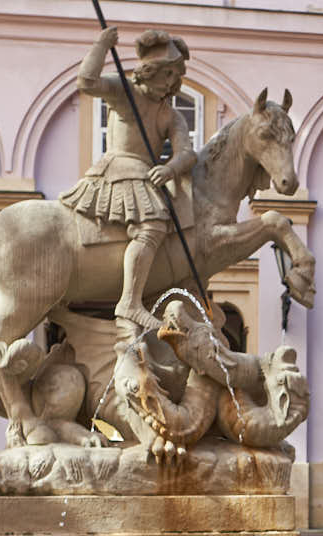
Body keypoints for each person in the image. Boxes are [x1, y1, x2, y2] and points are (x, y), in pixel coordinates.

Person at [59, 26, 196, 336]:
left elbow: (187, 153)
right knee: (152, 227)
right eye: (167, 74)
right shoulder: (126, 92)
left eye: (176, 77)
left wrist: (171, 168)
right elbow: (87, 82)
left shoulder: (170, 114)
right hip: (120, 169)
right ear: (150, 70)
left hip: (147, 174)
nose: (171, 82)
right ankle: (130, 303)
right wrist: (101, 45)